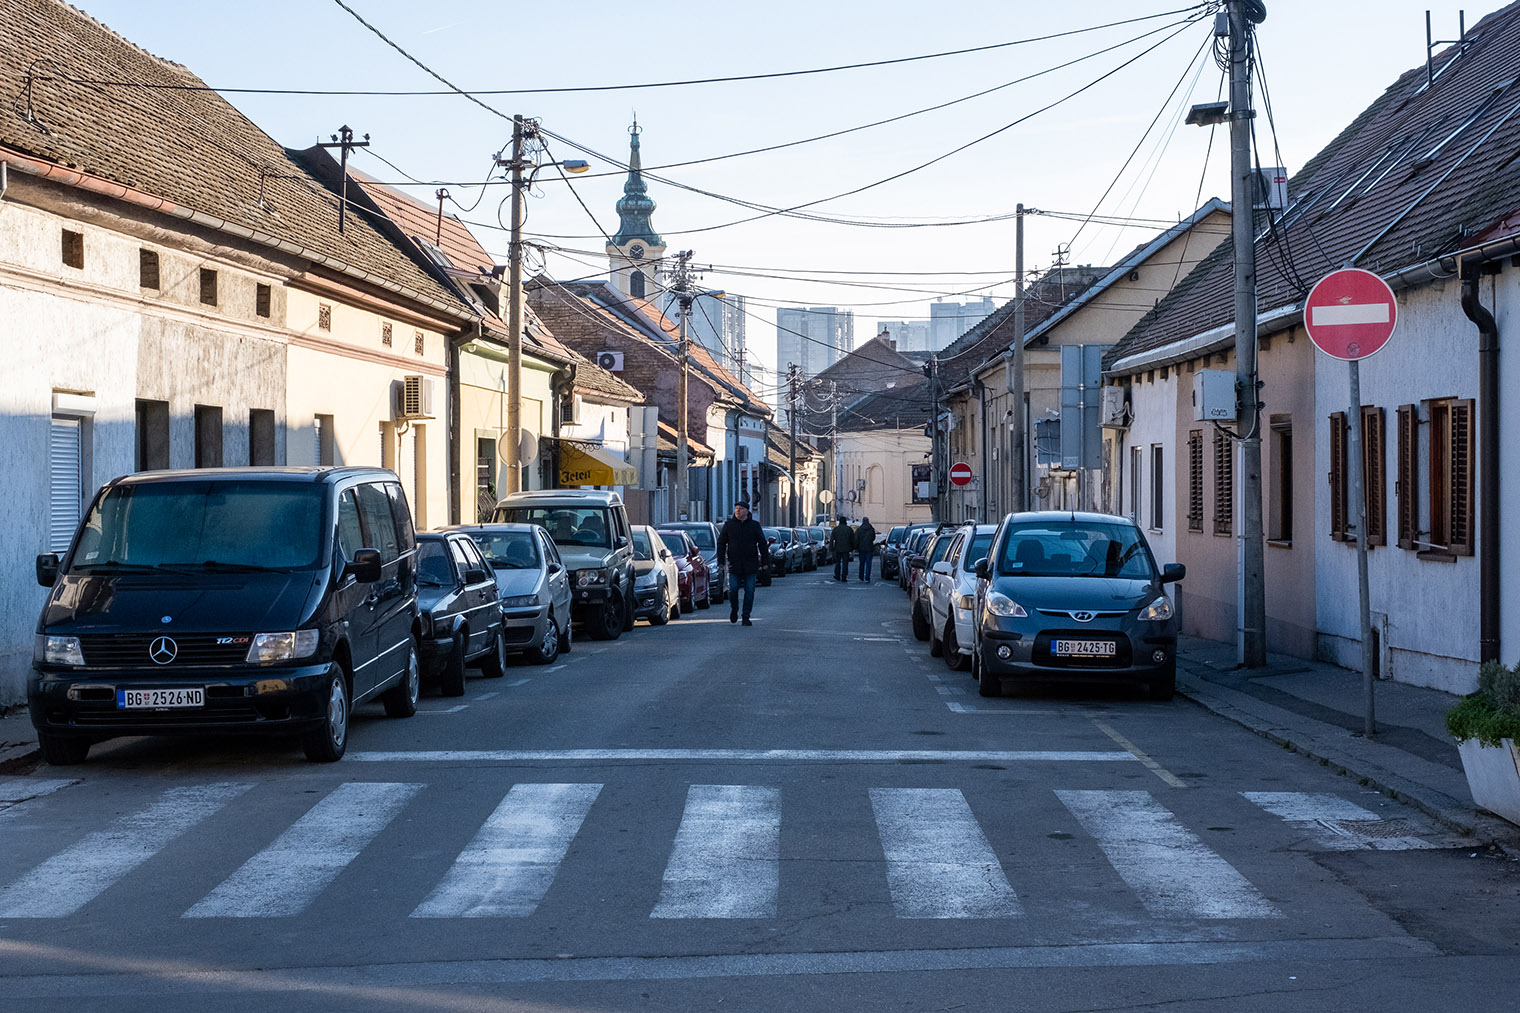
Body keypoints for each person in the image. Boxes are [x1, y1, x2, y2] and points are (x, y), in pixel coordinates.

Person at [716, 499, 766, 626]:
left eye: (741, 509)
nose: (738, 511)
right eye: (736, 508)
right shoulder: (729, 525)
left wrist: (765, 562)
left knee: (749, 591)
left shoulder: (754, 525)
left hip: (750, 564)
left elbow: (762, 544)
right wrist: (721, 561)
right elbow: (721, 543)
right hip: (734, 564)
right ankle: (734, 609)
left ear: (747, 511)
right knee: (733, 590)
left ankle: (746, 616)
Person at [831, 516, 854, 582]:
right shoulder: (849, 529)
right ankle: (844, 576)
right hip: (846, 549)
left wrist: (831, 548)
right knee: (845, 563)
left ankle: (837, 575)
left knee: (838, 562)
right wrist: (852, 547)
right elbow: (852, 539)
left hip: (838, 548)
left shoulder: (836, 529)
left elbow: (832, 539)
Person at [854, 516, 878, 582]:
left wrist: (856, 547)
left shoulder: (859, 529)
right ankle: (867, 577)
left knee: (861, 563)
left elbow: (856, 538)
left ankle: (861, 576)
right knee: (868, 563)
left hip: (861, 548)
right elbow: (873, 537)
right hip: (869, 548)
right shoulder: (871, 529)